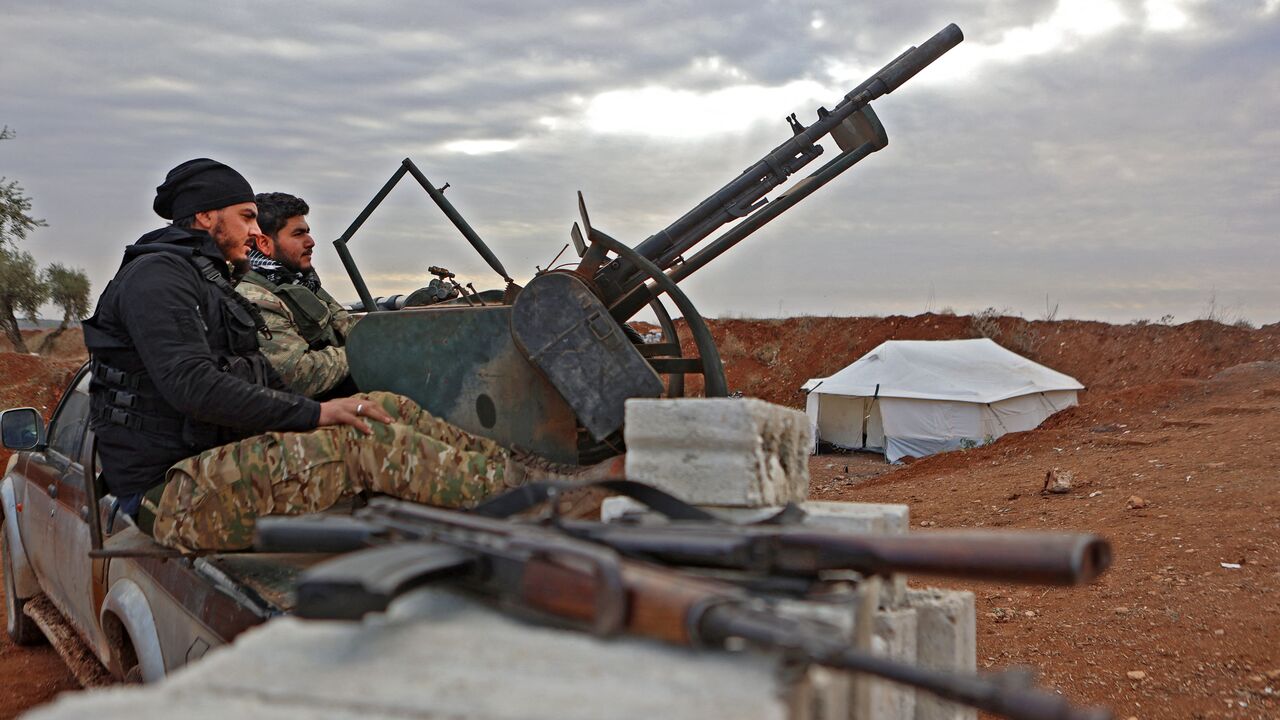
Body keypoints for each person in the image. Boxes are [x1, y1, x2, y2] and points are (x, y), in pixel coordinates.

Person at [83, 158, 516, 553]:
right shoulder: (157, 278)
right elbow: (193, 385)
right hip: (172, 494)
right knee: (359, 443)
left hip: (213, 461)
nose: (256, 233)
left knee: (381, 408)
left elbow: (253, 374)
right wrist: (315, 414)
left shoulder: (208, 278)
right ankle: (525, 508)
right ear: (205, 216)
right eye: (246, 217)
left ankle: (510, 474)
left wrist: (331, 407)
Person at [237, 192, 356, 399]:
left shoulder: (301, 281)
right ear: (264, 244)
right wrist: (366, 352)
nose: (310, 242)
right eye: (298, 234)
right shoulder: (254, 296)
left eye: (307, 232)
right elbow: (297, 374)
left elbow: (348, 326)